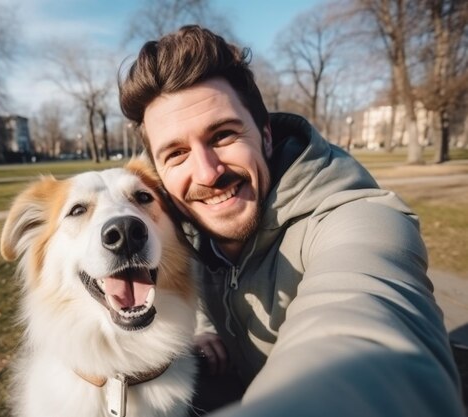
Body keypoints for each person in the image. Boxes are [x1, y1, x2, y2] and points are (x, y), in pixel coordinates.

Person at [118, 25, 464, 416]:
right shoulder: (184, 229)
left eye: (223, 136)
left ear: (265, 135)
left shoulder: (357, 220)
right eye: (176, 154)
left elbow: (365, 329)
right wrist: (205, 326)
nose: (207, 172)